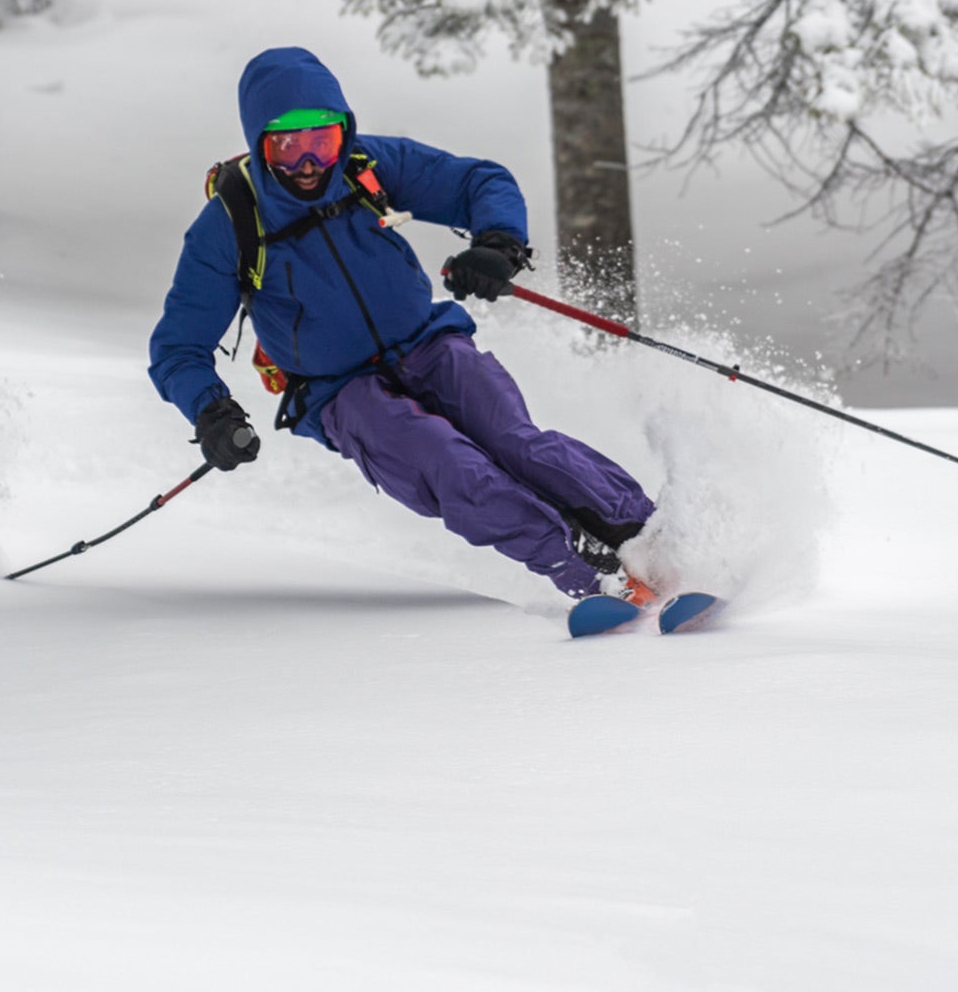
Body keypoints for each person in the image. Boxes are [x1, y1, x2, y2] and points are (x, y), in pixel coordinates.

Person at [148, 45, 655, 602]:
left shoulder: (366, 167)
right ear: (259, 145)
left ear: (345, 132)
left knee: (517, 443)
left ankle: (650, 538)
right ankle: (592, 575)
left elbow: (478, 183)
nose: (310, 165)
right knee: (452, 467)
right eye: (288, 148)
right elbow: (178, 349)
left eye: (323, 142)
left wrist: (497, 243)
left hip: (428, 342)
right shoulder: (229, 224)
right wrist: (211, 409)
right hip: (339, 389)